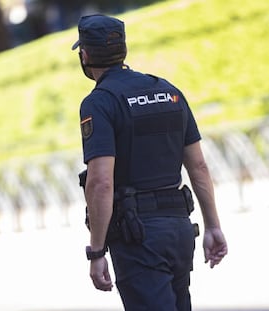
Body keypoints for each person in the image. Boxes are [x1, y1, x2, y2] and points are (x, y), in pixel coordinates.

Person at [72, 14, 227, 311]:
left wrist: (96, 251)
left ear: (85, 55)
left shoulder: (99, 102)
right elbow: (199, 167)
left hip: (138, 237)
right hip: (180, 229)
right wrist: (213, 226)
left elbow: (101, 182)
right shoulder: (169, 91)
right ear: (123, 50)